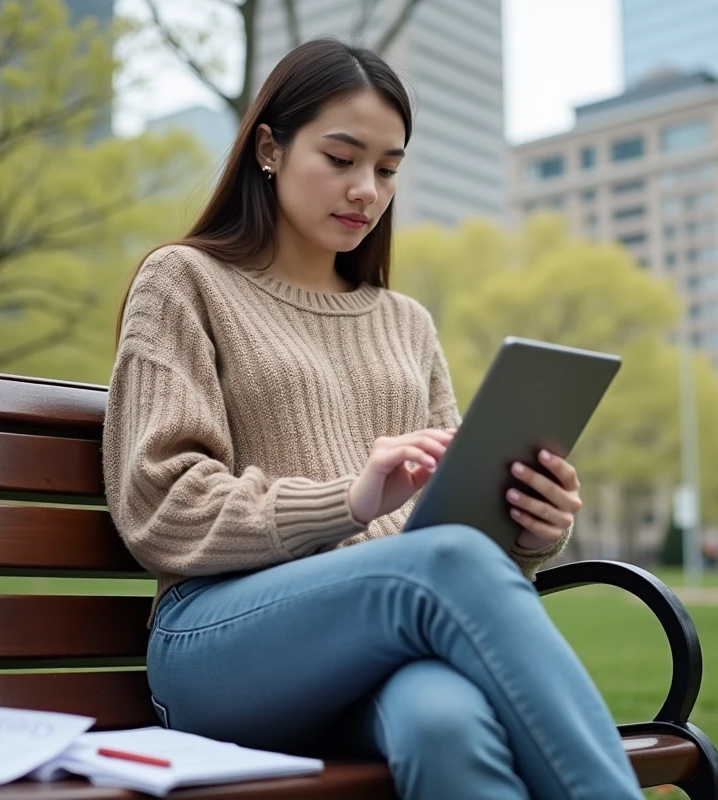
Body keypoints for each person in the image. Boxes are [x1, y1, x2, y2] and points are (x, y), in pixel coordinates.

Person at [101, 38, 643, 800]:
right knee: (446, 563)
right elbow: (159, 505)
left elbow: (453, 528)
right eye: (342, 157)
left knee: (444, 724)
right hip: (218, 643)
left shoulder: (405, 323)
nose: (366, 189)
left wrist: (531, 526)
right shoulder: (185, 283)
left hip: (384, 639)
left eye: (388, 169)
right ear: (269, 148)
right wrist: (348, 500)